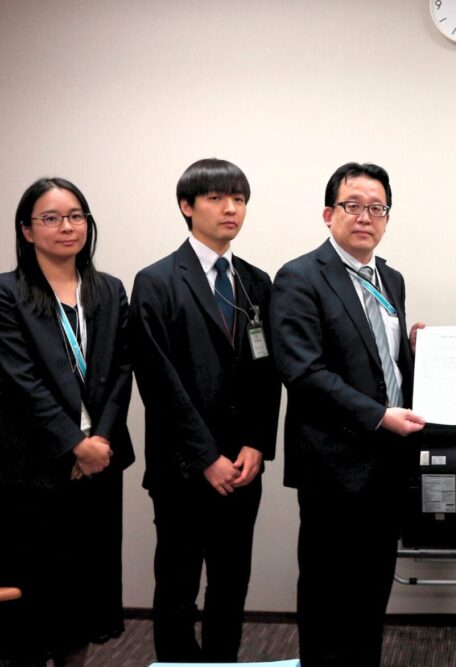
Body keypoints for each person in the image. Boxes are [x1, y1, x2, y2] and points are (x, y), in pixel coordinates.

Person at [270, 162, 425, 667]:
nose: (365, 217)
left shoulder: (391, 278)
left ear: (387, 218)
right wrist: (379, 416)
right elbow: (303, 371)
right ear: (328, 213)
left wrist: (418, 352)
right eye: (353, 205)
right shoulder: (300, 276)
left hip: (388, 462)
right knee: (328, 594)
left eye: (377, 208)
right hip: (332, 465)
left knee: (372, 591)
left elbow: (380, 361)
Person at [129, 158, 280, 662]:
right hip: (183, 468)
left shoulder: (257, 282)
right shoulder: (156, 281)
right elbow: (158, 381)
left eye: (239, 198)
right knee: (177, 586)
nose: (230, 208)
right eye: (216, 198)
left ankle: (222, 662)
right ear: (186, 206)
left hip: (242, 466)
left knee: (231, 584)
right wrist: (205, 457)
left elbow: (268, 373)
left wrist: (257, 442)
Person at [0, 178, 134, 666]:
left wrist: (99, 441)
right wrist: (73, 444)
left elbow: (122, 371)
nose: (66, 227)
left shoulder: (109, 290)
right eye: (51, 218)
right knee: (36, 595)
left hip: (99, 465)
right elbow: (21, 380)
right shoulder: (7, 293)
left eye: (76, 216)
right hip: (34, 468)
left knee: (84, 589)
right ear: (27, 230)